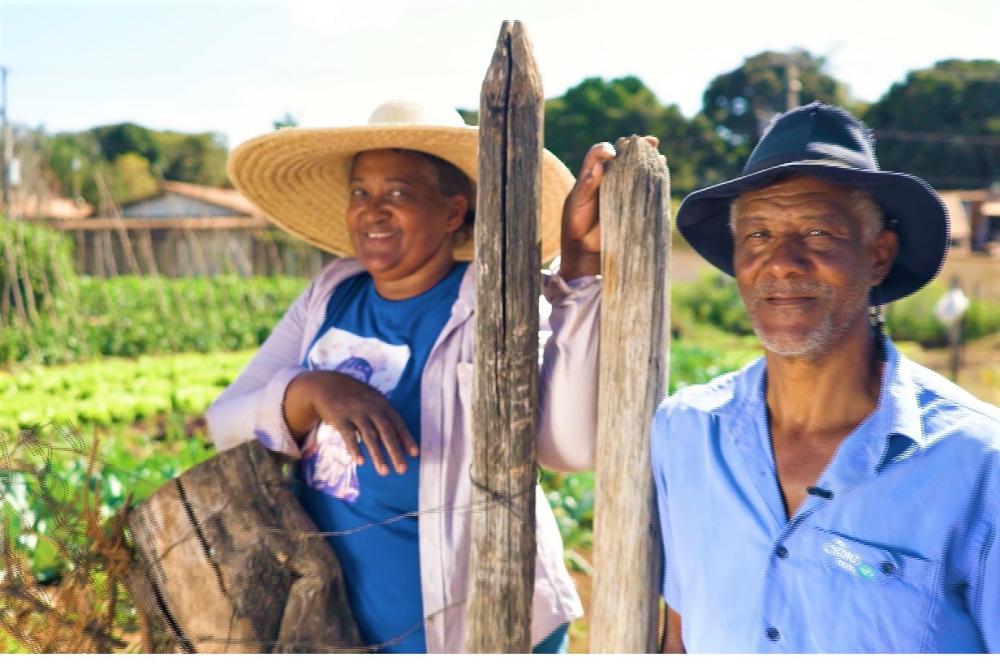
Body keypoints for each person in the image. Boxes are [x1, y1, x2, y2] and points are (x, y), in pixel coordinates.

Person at [206, 99, 610, 653]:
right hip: (340, 629)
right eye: (360, 193)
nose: (373, 211)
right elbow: (224, 425)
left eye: (398, 193)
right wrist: (312, 390)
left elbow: (571, 446)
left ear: (452, 212)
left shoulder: (494, 302)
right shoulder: (331, 295)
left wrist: (581, 273)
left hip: (482, 627)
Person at [652, 102, 1000, 653]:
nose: (782, 262)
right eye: (758, 235)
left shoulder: (979, 463)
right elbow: (680, 637)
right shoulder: (687, 433)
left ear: (879, 255)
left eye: (817, 232)